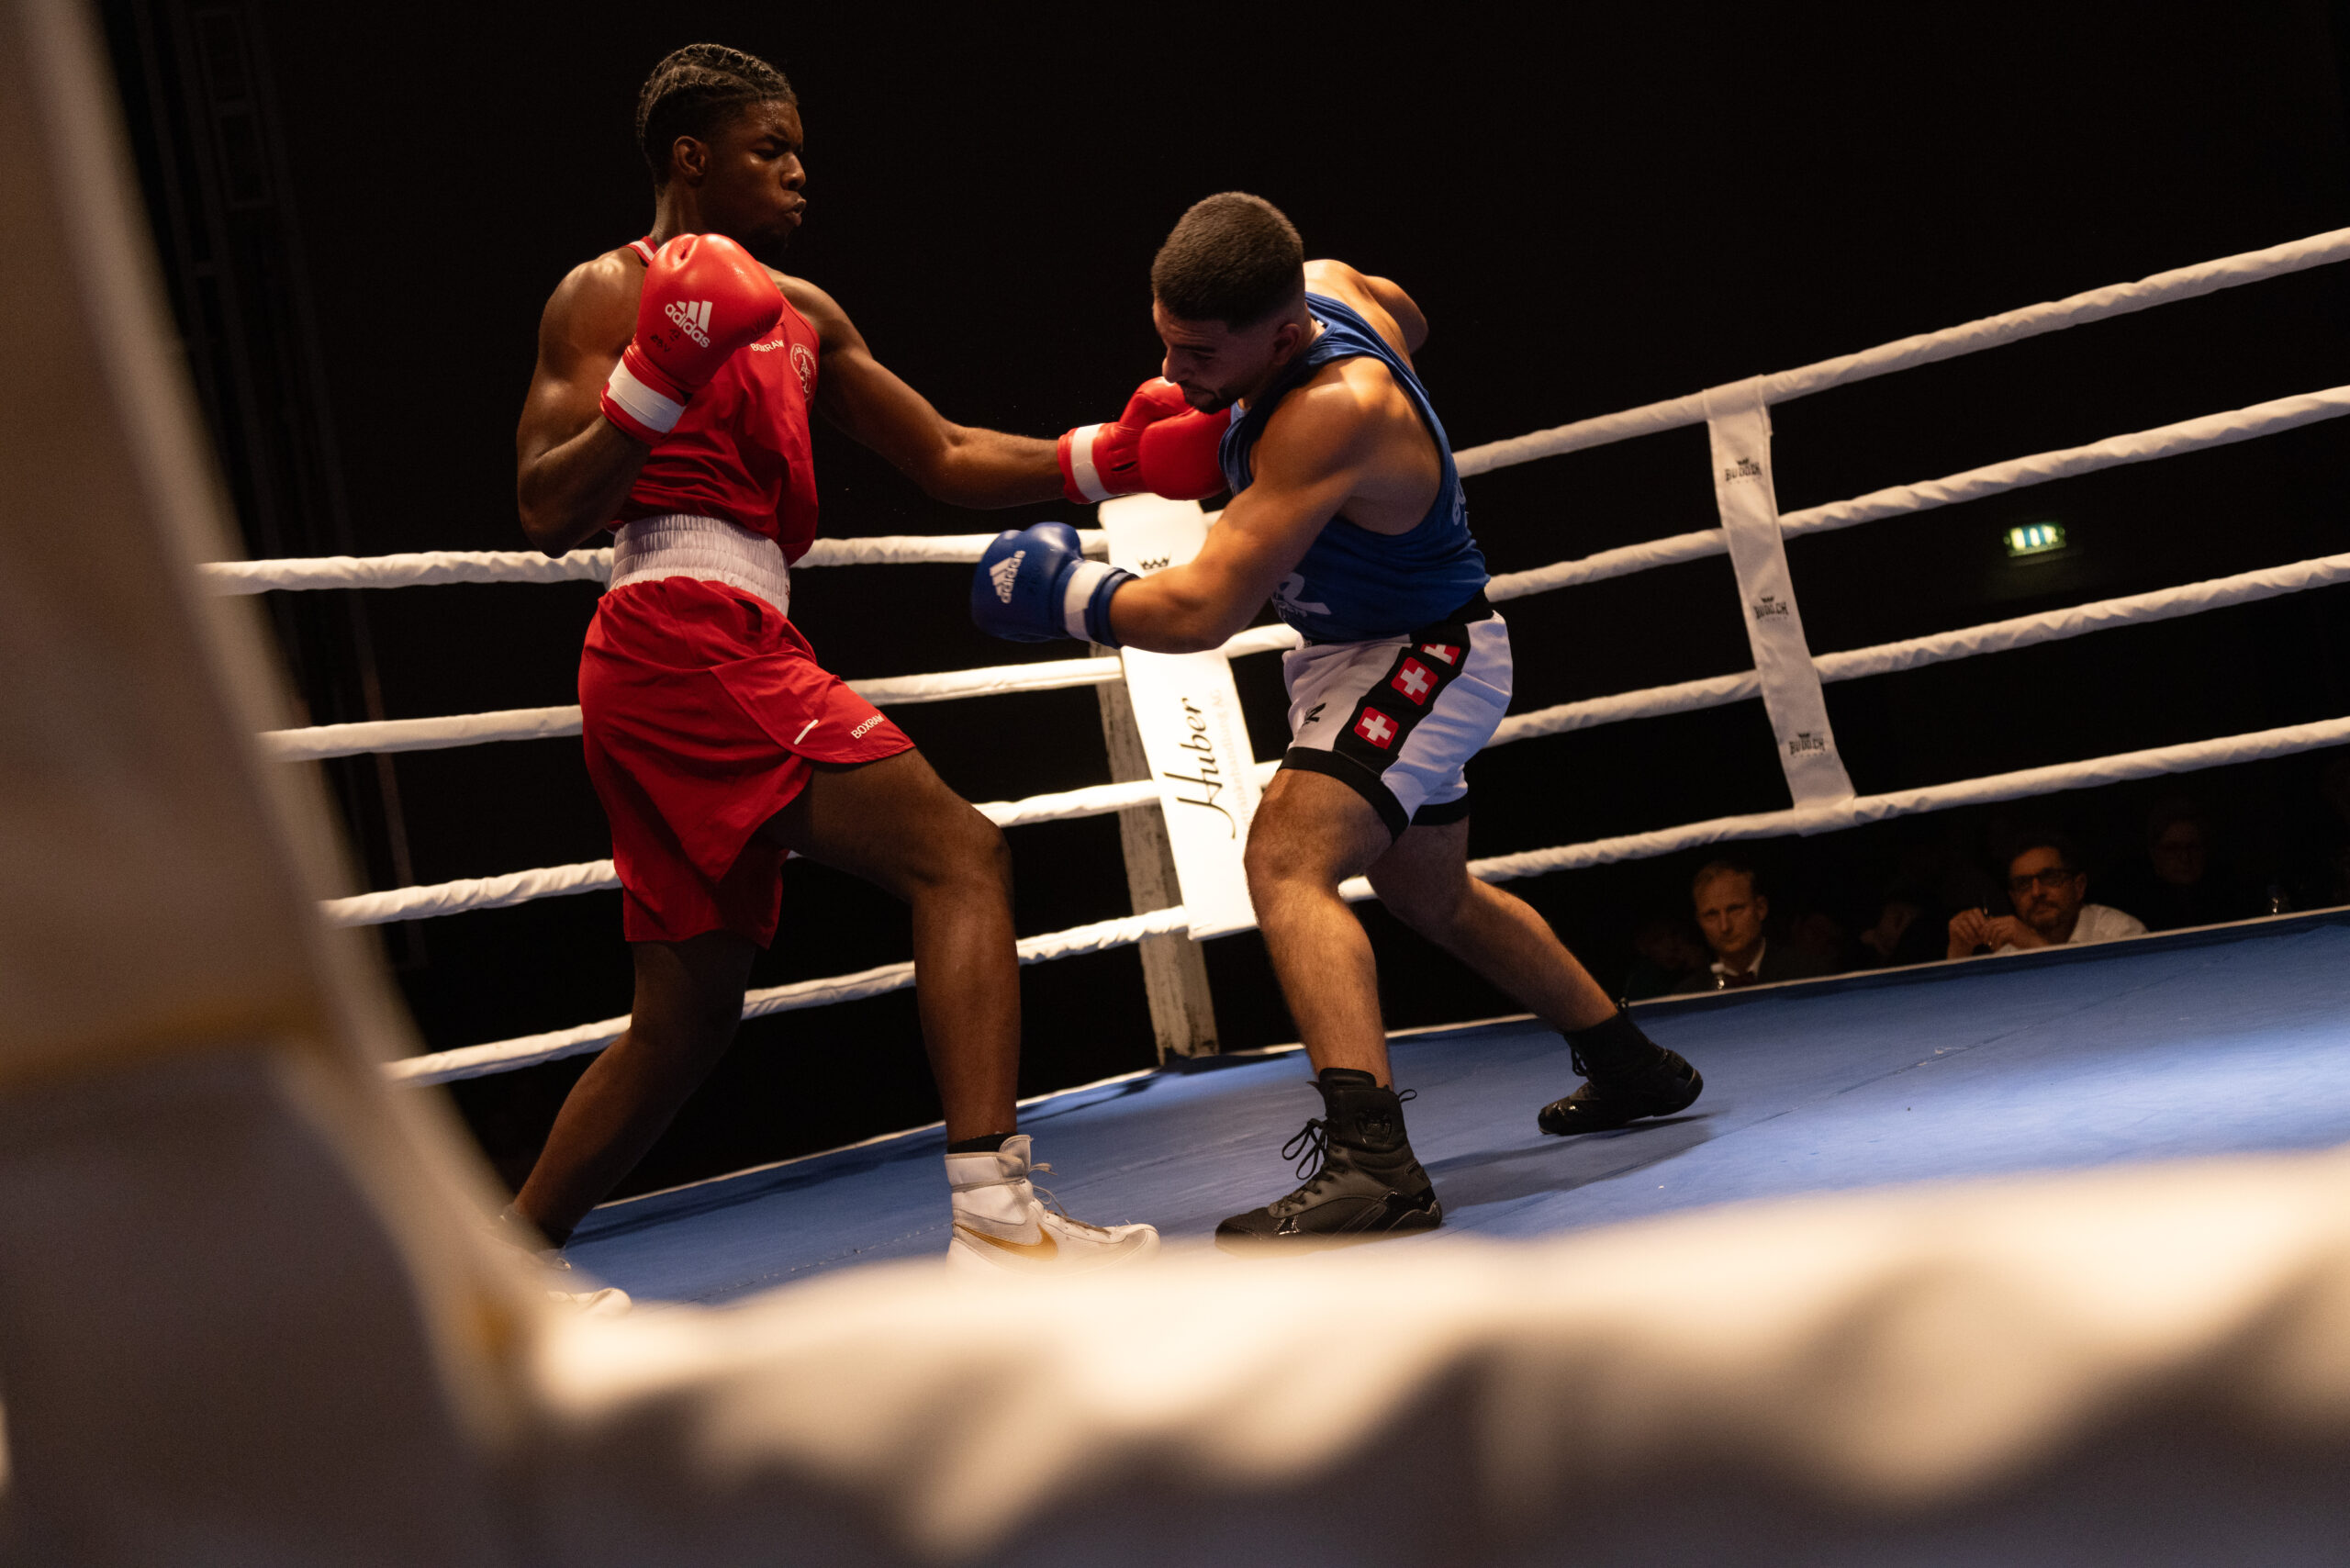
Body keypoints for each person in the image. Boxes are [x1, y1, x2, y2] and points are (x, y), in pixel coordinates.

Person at [509, 44, 1156, 1275]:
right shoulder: (605, 292)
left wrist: (1111, 458)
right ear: (692, 157)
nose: (800, 172)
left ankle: (505, 1273)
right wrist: (655, 379)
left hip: (733, 631)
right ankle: (997, 1219)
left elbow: (947, 453)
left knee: (687, 1017)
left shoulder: (804, 313)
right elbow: (545, 507)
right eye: (771, 149)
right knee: (959, 853)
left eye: (800, 150)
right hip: (674, 626)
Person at [970, 193, 1701, 1250]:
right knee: (1431, 893)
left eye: (1198, 353)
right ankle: (1633, 1067)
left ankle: (1376, 1166)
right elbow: (1410, 314)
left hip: (1419, 655)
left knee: (1285, 859)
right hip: (1366, 650)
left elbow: (1201, 610)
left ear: (1281, 336)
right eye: (1166, 341)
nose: (1173, 373)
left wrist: (1066, 594)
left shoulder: (1330, 409)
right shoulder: (1328, 283)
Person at [1946, 832, 2145, 958]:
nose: (2036, 892)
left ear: (2079, 886)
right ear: (2013, 899)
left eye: (2050, 878)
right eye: (2023, 884)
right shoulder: (2009, 952)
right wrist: (1959, 953)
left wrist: (2035, 946)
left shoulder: (2120, 933)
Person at [1670, 860, 1834, 991]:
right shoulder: (1688, 995)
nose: (1725, 926)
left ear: (1761, 908)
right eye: (1711, 915)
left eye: (1734, 909)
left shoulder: (1810, 975)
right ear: (1699, 921)